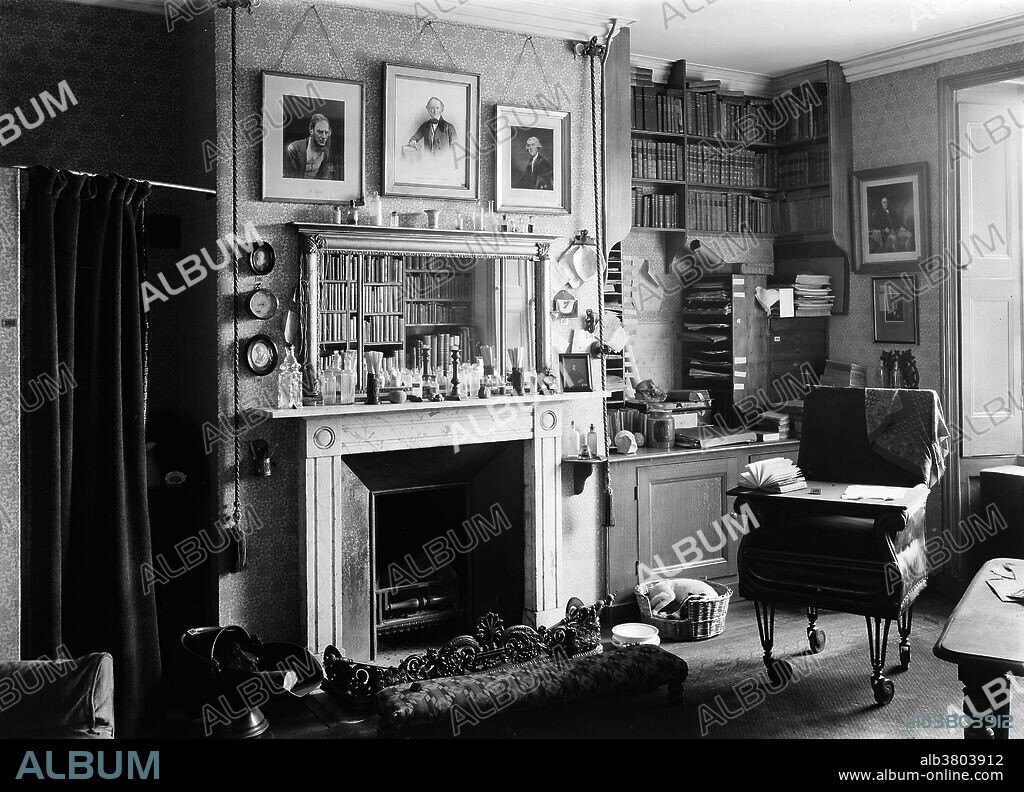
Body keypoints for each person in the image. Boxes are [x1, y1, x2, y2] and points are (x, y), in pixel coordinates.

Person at [284, 113, 340, 180]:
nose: (324, 137)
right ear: (311, 130)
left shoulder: (327, 152)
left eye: (326, 132)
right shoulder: (294, 148)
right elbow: (290, 179)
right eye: (320, 132)